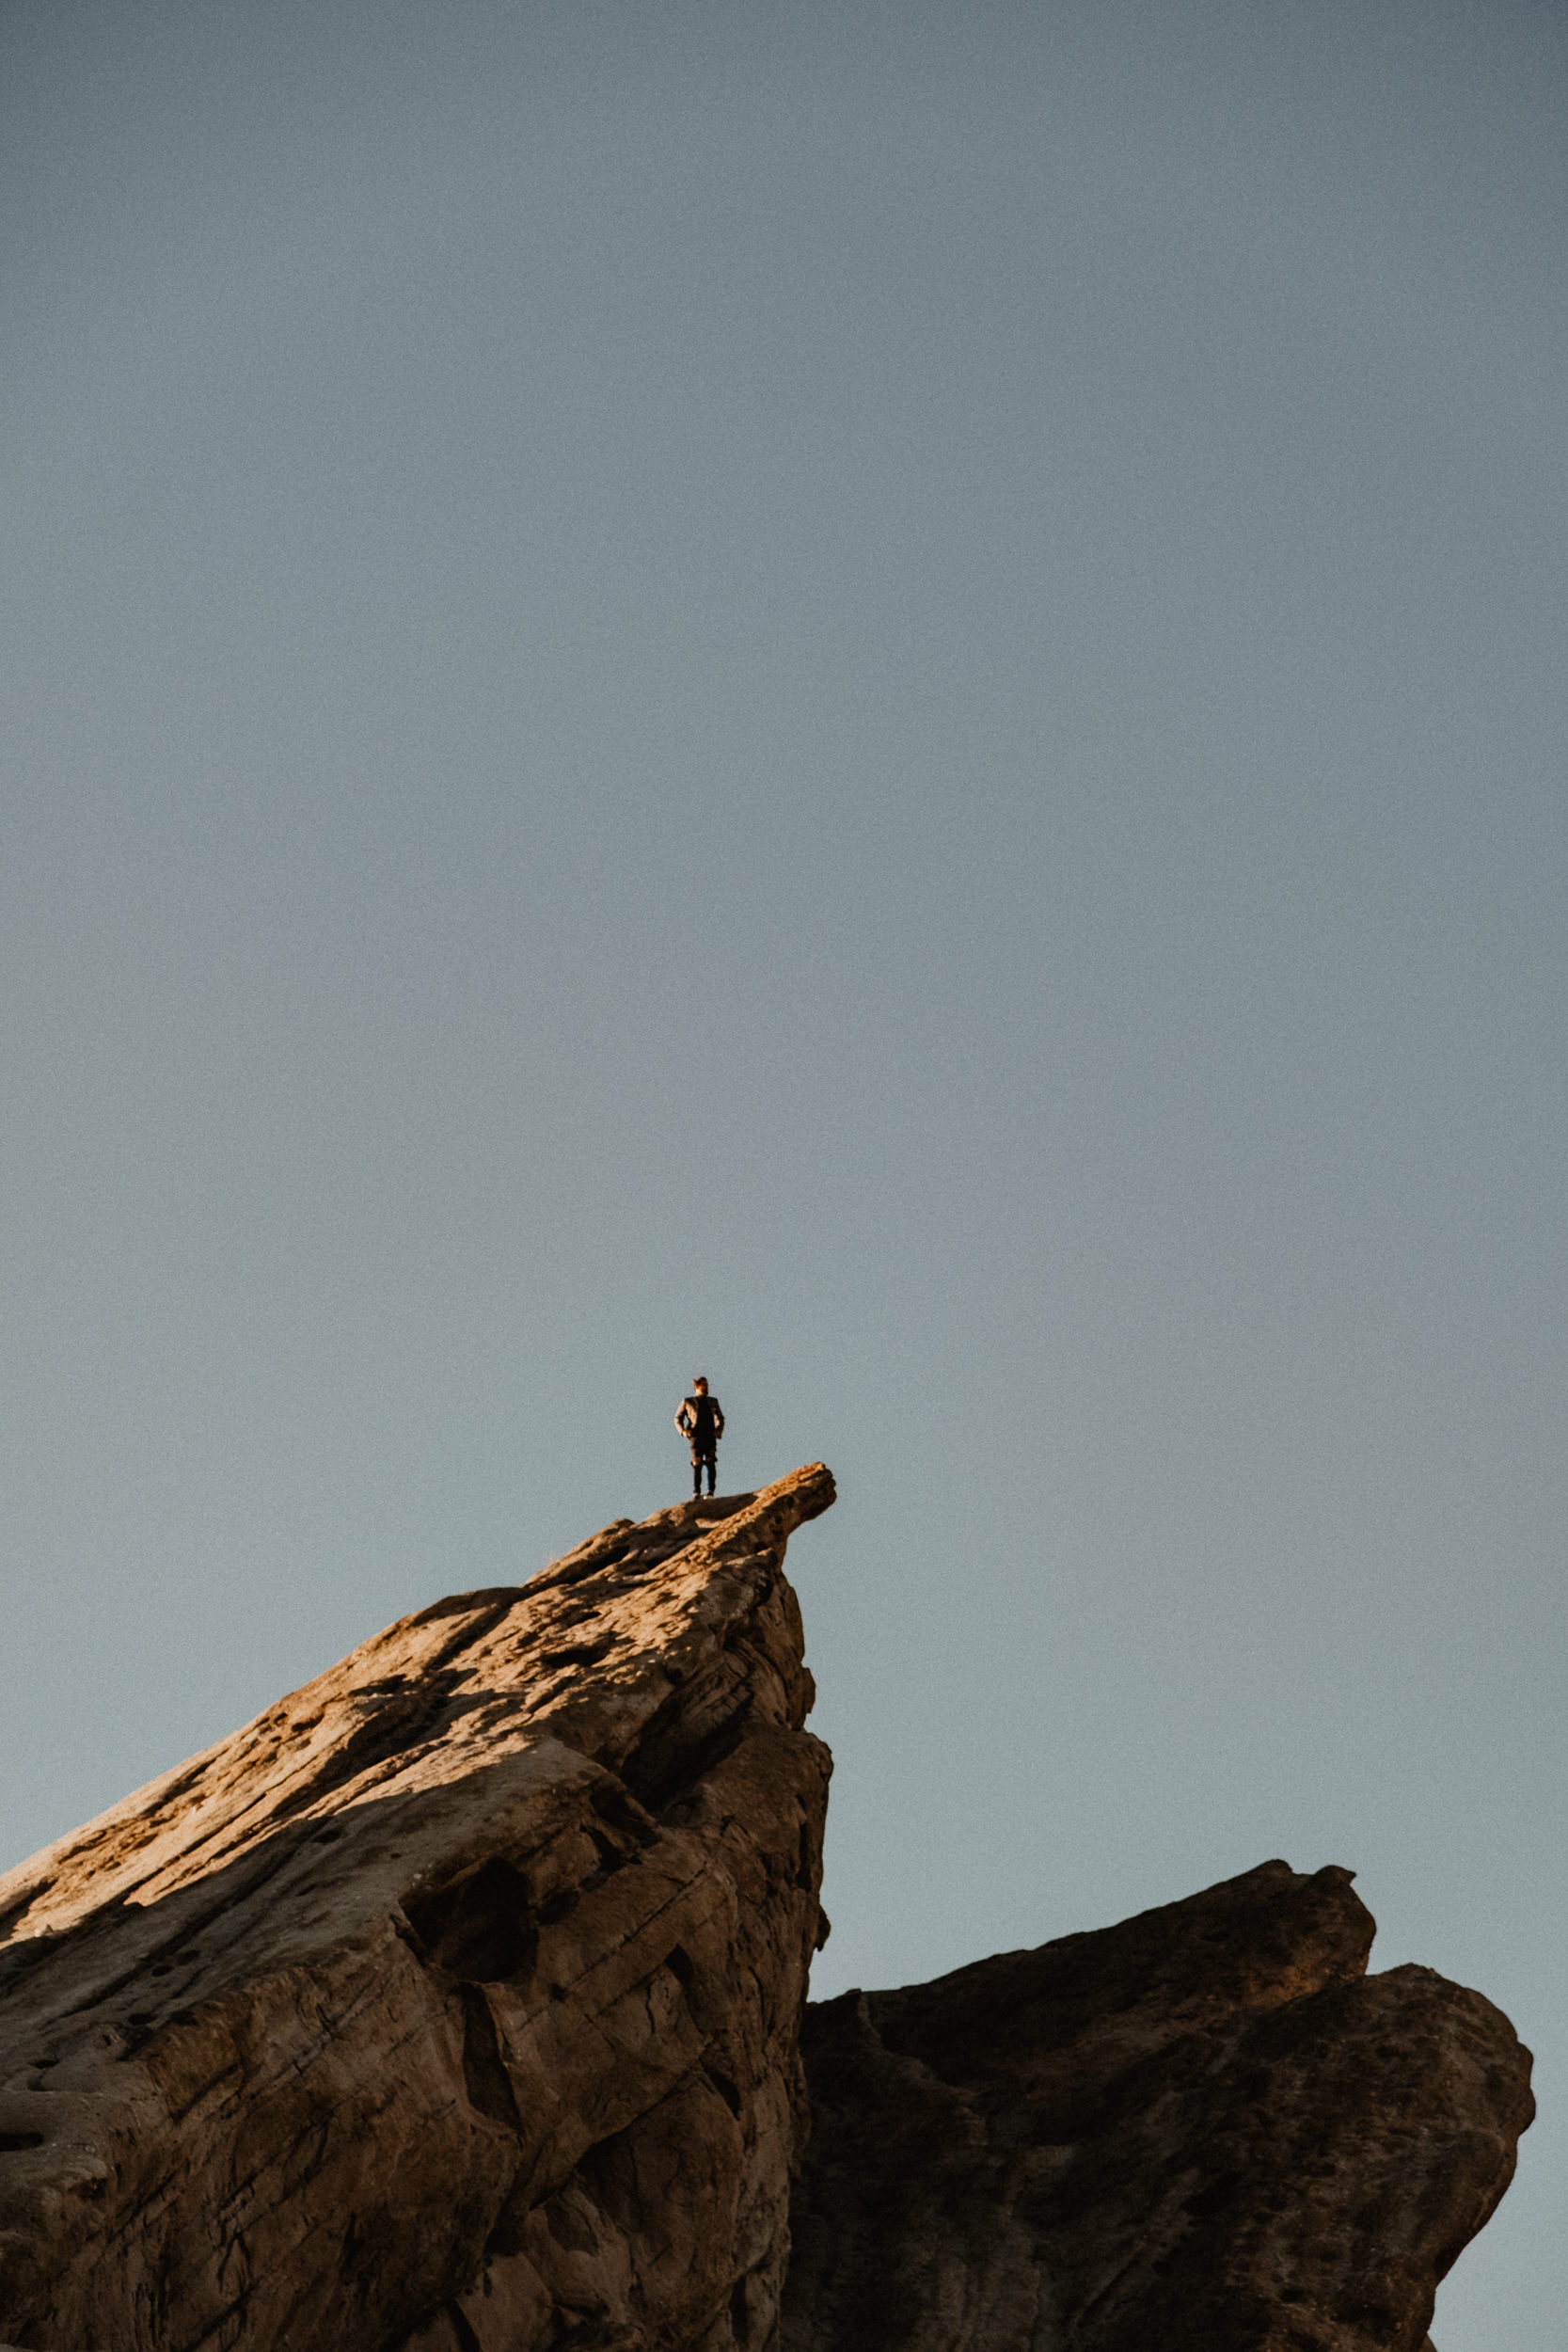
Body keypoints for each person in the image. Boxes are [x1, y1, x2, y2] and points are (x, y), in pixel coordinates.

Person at [675, 1376, 725, 1498]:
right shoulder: (688, 1401)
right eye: (704, 1385)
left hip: (710, 1434)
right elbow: (678, 1418)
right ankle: (696, 1492)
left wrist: (718, 1431)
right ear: (697, 1386)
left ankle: (710, 1492)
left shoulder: (713, 1401)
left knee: (711, 1461)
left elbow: (720, 1417)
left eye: (707, 1385)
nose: (706, 1387)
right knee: (697, 1462)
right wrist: (683, 1431)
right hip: (695, 1435)